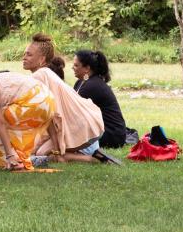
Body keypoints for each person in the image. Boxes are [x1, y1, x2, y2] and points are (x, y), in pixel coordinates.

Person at [22, 34, 117, 166]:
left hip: (77, 127)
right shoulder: (45, 73)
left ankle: (91, 159)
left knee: (41, 154)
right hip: (83, 122)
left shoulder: (40, 76)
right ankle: (86, 154)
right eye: (24, 54)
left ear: (42, 59)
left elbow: (51, 116)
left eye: (29, 55)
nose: (24, 57)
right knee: (35, 150)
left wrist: (56, 149)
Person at [0, 71, 52, 170]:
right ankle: (26, 159)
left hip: (34, 102)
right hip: (48, 102)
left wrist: (10, 156)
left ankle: (16, 160)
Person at [73, 50, 130, 148]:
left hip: (112, 136)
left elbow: (73, 112)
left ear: (87, 68)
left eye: (76, 65)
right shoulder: (81, 82)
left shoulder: (92, 86)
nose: (72, 68)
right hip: (105, 131)